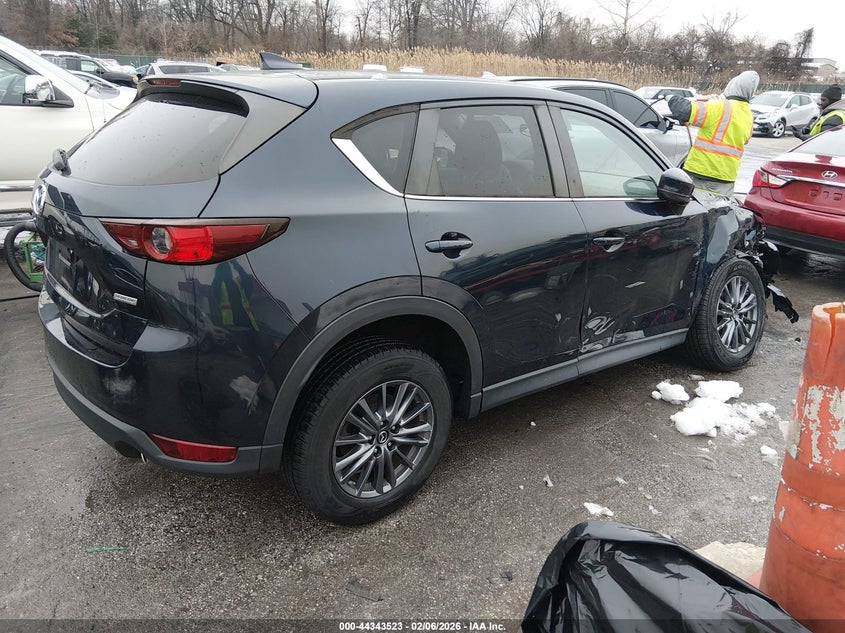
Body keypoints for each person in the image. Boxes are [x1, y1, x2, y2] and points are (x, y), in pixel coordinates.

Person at [666, 70, 760, 196]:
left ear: (732, 86)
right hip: (727, 178)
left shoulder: (720, 107)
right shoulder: (748, 115)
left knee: (696, 211)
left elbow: (684, 110)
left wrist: (670, 96)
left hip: (703, 174)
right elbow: (745, 139)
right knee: (718, 212)